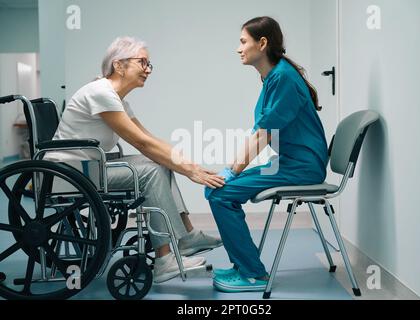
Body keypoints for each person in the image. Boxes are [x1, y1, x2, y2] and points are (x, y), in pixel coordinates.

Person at [47, 36, 225, 284]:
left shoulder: (117, 99)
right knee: (151, 170)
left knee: (160, 162)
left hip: (90, 169)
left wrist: (190, 165)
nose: (147, 70)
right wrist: (190, 172)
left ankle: (186, 237)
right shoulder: (101, 93)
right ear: (119, 65)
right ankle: (165, 259)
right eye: (143, 62)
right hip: (71, 174)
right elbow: (141, 144)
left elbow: (150, 139)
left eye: (149, 64)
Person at [206, 17, 328, 293]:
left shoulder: (283, 78)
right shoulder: (273, 76)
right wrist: (231, 170)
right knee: (217, 190)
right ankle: (243, 265)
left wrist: (231, 172)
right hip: (289, 163)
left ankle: (252, 274)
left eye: (242, 42)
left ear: (262, 43)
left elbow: (263, 134)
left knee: (219, 193)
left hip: (303, 168)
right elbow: (261, 130)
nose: (238, 49)